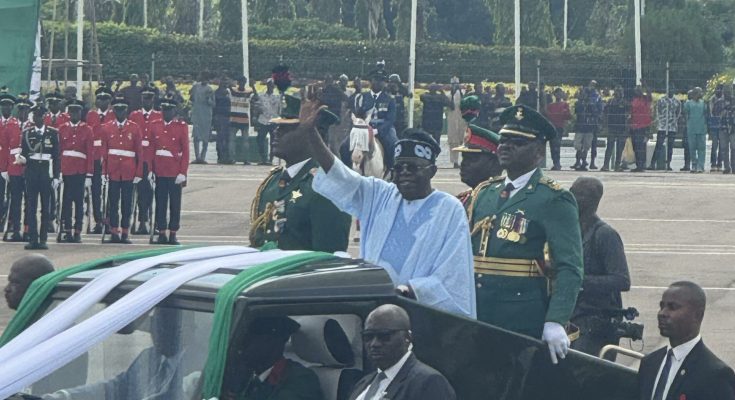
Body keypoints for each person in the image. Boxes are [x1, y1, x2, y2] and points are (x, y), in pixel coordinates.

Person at [304, 85, 475, 317]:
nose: (404, 173)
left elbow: (454, 274)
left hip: (422, 312)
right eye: (399, 167)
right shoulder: (379, 194)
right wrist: (310, 134)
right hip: (375, 308)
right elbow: (339, 175)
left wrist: (412, 290)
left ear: (432, 171)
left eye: (413, 167)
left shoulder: (448, 209)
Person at [468, 105, 583, 364]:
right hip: (478, 312)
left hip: (522, 317)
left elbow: (570, 267)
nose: (505, 147)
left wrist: (556, 320)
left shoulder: (553, 198)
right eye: (504, 140)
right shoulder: (485, 193)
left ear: (538, 152)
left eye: (517, 142)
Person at [249, 94, 351, 253]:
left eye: (287, 128)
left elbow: (327, 259)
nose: (276, 132)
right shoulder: (272, 183)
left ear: (314, 134)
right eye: (278, 126)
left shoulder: (325, 189)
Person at [42, 309, 187, 400]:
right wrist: (64, 397)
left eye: (167, 325)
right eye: (156, 324)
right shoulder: (148, 357)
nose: (158, 332)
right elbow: (115, 387)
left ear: (186, 329)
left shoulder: (196, 366)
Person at [638, 281, 735, 400]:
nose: (662, 313)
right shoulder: (650, 363)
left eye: (672, 307)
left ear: (697, 315)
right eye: (662, 306)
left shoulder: (715, 374)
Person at [568, 177, 631, 359]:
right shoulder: (573, 231)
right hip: (574, 318)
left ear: (591, 200)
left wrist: (577, 280)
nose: (572, 198)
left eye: (578, 194)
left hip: (595, 323)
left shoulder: (605, 235)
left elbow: (621, 280)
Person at [348, 304, 456, 400]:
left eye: (384, 336)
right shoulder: (363, 383)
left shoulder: (429, 382)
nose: (374, 344)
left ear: (407, 338)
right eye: (368, 336)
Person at [222, 317, 323, 400]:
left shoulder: (301, 380)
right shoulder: (246, 375)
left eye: (248, 340)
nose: (241, 347)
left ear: (271, 344)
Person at [18, 104, 61, 250]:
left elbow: (56, 156)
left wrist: (56, 176)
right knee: (31, 207)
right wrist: (20, 158)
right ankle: (32, 238)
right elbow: (23, 153)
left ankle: (43, 239)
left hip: (46, 173)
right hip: (31, 172)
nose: (38, 119)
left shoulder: (53, 133)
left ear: (45, 117)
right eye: (36, 116)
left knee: (46, 208)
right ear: (33, 118)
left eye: (41, 116)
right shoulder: (27, 133)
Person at [102, 97, 143, 244]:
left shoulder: (134, 127)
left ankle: (125, 231)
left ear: (127, 111)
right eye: (117, 110)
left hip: (128, 171)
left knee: (127, 203)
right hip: (113, 171)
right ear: (114, 111)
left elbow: (139, 152)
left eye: (123, 110)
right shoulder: (107, 127)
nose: (120, 113)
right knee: (113, 203)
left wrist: (138, 173)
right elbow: (104, 153)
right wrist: (103, 173)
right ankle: (114, 231)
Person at [150, 95, 189, 245]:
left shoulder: (181, 126)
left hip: (174, 170)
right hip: (159, 169)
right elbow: (152, 148)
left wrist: (182, 172)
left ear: (174, 111)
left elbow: (185, 151)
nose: (166, 112)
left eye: (169, 110)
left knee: (175, 203)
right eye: (164, 110)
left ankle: (173, 232)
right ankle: (161, 232)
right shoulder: (155, 125)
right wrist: (150, 170)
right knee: (160, 202)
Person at [453, 95, 502, 208]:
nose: (463, 164)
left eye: (472, 159)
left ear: (495, 164)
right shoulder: (463, 201)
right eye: (464, 158)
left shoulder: (500, 203)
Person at [57, 100, 94, 243]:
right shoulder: (62, 128)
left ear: (80, 114)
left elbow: (90, 153)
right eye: (72, 112)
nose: (74, 115)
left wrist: (89, 174)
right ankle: (66, 230)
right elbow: (59, 151)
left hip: (80, 170)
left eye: (77, 112)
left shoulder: (87, 129)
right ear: (68, 114)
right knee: (65, 202)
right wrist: (58, 171)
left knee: (79, 202)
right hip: (66, 170)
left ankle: (78, 230)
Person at [128, 86, 162, 235]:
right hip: (138, 159)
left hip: (153, 159)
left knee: (151, 192)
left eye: (149, 98)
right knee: (140, 192)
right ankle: (141, 220)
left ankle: (150, 220)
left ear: (153, 100)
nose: (146, 101)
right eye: (144, 99)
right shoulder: (134, 116)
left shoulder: (159, 116)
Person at [2, 94, 32, 242]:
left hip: (29, 169)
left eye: (26, 110)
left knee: (29, 201)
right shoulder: (11, 126)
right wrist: (6, 168)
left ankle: (27, 229)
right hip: (14, 169)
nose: (23, 113)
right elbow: (7, 149)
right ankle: (15, 230)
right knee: (15, 200)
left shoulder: (32, 127)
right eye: (20, 110)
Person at [85, 86, 116, 233]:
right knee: (95, 191)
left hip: (109, 158)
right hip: (94, 157)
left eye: (105, 99)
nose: (102, 102)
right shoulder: (90, 115)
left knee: (110, 192)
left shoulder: (114, 115)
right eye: (99, 99)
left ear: (110, 101)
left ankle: (109, 220)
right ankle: (98, 220)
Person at [361, 68, 398, 171]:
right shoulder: (363, 97)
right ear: (370, 81)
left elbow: (390, 120)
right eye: (376, 79)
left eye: (382, 80)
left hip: (384, 129)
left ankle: (392, 170)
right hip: (364, 128)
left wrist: (378, 131)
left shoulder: (389, 99)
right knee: (345, 145)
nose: (378, 82)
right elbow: (358, 115)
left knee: (393, 145)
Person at [251, 78, 281, 165]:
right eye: (269, 84)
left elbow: (280, 109)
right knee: (260, 139)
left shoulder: (277, 97)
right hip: (263, 120)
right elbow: (256, 105)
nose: (270, 86)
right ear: (267, 85)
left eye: (272, 85)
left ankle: (270, 159)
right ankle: (263, 158)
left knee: (273, 141)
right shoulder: (261, 96)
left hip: (274, 121)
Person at [651, 88, 682, 171]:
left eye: (672, 89)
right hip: (662, 126)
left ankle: (668, 164)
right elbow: (657, 111)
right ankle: (653, 163)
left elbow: (678, 113)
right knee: (659, 145)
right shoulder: (661, 100)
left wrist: (674, 120)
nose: (671, 91)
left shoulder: (677, 102)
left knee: (670, 146)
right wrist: (661, 120)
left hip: (672, 126)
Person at [190, 71, 215, 164]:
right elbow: (191, 97)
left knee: (205, 137)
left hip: (206, 115)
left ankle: (203, 156)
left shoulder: (210, 89)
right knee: (196, 137)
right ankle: (197, 156)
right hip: (197, 114)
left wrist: (208, 99)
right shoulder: (196, 87)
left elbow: (213, 104)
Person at [602, 86, 629, 172]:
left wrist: (627, 127)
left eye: (620, 92)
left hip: (622, 128)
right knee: (609, 147)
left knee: (620, 148)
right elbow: (605, 113)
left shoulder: (625, 103)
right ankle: (605, 165)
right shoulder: (610, 102)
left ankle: (617, 165)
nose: (619, 93)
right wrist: (605, 125)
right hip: (612, 127)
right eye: (617, 91)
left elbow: (628, 115)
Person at [545, 88, 572, 171]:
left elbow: (568, 116)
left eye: (560, 93)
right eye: (557, 93)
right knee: (552, 145)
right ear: (555, 94)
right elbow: (547, 115)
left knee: (557, 145)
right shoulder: (550, 105)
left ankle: (557, 163)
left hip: (559, 127)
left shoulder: (565, 104)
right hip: (552, 127)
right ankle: (555, 162)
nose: (559, 95)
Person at [229, 76, 253, 165]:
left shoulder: (233, 91)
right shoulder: (249, 92)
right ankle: (245, 160)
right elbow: (256, 97)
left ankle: (232, 159)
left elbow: (227, 87)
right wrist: (253, 86)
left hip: (234, 117)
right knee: (245, 141)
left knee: (233, 140)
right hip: (244, 118)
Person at [629, 84, 653, 173]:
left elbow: (649, 93)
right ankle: (638, 164)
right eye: (636, 90)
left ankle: (641, 165)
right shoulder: (633, 100)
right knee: (635, 146)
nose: (637, 91)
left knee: (641, 146)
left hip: (643, 126)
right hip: (634, 126)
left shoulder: (646, 99)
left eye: (639, 90)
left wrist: (645, 83)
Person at [684, 87, 708, 174]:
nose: (701, 94)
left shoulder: (703, 103)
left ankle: (700, 166)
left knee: (701, 148)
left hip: (701, 129)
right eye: (699, 92)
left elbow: (706, 114)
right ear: (695, 93)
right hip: (691, 129)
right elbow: (685, 114)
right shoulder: (688, 103)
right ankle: (694, 165)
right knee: (692, 148)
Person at [446, 77, 466, 168]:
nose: (455, 85)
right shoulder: (448, 95)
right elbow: (449, 105)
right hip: (452, 121)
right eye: (453, 84)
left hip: (462, 120)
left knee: (464, 140)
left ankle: (465, 161)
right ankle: (455, 162)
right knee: (453, 142)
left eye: (456, 84)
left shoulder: (463, 94)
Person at [573, 89, 594, 171]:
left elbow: (595, 114)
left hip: (589, 128)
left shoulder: (591, 104)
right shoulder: (578, 104)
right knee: (577, 145)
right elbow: (577, 113)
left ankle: (583, 162)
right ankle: (578, 161)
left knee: (586, 146)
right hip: (580, 127)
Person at [213, 76, 233, 164]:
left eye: (227, 83)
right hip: (219, 116)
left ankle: (227, 156)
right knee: (220, 138)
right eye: (224, 82)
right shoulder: (216, 93)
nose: (225, 84)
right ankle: (220, 156)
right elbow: (214, 106)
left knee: (228, 138)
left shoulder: (230, 92)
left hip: (228, 116)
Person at [585, 81, 604, 169]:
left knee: (593, 143)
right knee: (583, 141)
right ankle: (581, 161)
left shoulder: (597, 96)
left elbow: (600, 109)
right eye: (590, 84)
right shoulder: (584, 94)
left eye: (593, 85)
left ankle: (592, 162)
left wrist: (597, 118)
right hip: (584, 121)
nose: (590, 86)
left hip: (593, 122)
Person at [709, 84, 726, 172]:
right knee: (714, 145)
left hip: (723, 125)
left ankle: (720, 163)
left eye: (720, 89)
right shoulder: (712, 99)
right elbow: (711, 111)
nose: (718, 90)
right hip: (714, 125)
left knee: (722, 146)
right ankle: (713, 164)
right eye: (717, 89)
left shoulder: (725, 99)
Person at [719, 85, 735, 174]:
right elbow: (715, 113)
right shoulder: (719, 102)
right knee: (724, 149)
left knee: (734, 148)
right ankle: (726, 167)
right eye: (725, 91)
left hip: (733, 128)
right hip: (723, 128)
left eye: (729, 91)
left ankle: (734, 166)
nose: (727, 93)